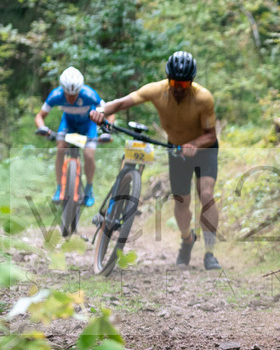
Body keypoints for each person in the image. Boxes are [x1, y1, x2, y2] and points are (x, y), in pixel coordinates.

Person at [89, 51, 222, 270]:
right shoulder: (156, 90)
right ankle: (187, 240)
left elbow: (210, 134)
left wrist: (194, 145)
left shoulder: (203, 98)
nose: (179, 88)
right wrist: (101, 111)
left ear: (191, 82)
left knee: (206, 194)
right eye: (174, 82)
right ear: (168, 79)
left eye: (184, 84)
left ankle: (209, 253)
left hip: (204, 149)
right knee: (181, 201)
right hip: (177, 149)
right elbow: (122, 103)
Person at [35, 67, 105, 207]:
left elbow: (109, 111)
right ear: (62, 90)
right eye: (68, 95)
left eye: (75, 94)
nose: (72, 98)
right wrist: (42, 128)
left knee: (89, 155)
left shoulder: (89, 94)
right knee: (60, 149)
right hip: (68, 123)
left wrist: (107, 130)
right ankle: (60, 186)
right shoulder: (55, 95)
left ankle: (89, 189)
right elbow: (39, 116)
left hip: (88, 125)